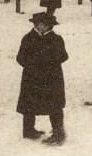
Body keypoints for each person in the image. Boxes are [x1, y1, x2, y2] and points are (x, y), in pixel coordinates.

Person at [16, 12, 68, 145]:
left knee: (54, 105)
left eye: (40, 24)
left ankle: (58, 133)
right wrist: (33, 66)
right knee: (29, 103)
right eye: (37, 24)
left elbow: (64, 56)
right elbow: (20, 58)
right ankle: (28, 130)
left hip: (52, 77)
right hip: (32, 77)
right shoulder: (28, 38)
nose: (37, 26)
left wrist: (48, 63)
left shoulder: (57, 39)